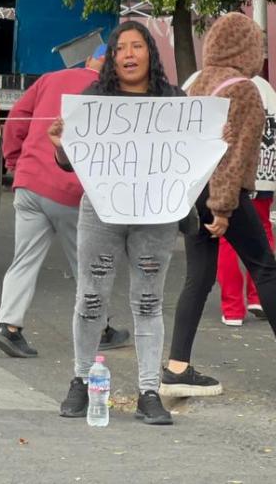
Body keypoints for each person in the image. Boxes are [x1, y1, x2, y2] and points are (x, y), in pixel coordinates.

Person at [163, 12, 276, 399]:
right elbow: (236, 154)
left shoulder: (198, 82)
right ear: (250, 49)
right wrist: (223, 207)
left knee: (198, 277)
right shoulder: (245, 89)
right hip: (224, 194)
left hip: (194, 190)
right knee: (264, 267)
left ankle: (176, 367)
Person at [51, 22, 184, 426]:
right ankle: (80, 380)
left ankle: (148, 391)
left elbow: (189, 156)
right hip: (102, 214)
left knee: (148, 302)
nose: (128, 54)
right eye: (121, 47)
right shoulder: (93, 100)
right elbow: (71, 163)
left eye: (137, 46)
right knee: (91, 297)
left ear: (150, 53)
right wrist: (61, 147)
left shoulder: (175, 101)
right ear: (113, 58)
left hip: (155, 216)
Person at [0, 43, 131, 358]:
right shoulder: (110, 95)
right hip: (71, 191)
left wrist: (15, 163)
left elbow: (16, 119)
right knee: (87, 263)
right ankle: (102, 328)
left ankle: (8, 327)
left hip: (29, 184)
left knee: (23, 259)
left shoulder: (50, 79)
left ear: (88, 59)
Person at [179, 70, 276, 326]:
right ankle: (259, 297)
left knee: (225, 240)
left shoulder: (199, 79)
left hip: (215, 176)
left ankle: (233, 308)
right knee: (263, 232)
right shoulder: (260, 86)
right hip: (260, 173)